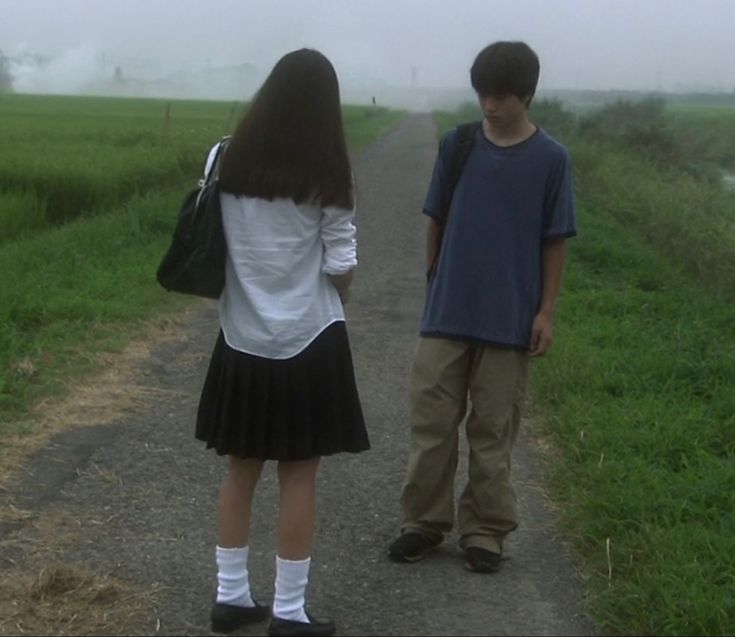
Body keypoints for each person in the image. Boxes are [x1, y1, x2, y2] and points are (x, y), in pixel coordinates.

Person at [195, 48, 369, 637]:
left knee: (240, 471)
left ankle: (230, 598)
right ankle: (290, 613)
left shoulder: (226, 157)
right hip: (310, 338)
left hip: (240, 337)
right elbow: (341, 264)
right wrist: (333, 287)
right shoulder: (329, 172)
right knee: (299, 475)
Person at [388, 41, 577, 573]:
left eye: (501, 97)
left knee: (493, 431)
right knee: (431, 424)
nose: (490, 106)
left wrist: (546, 311)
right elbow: (436, 219)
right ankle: (422, 522)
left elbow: (555, 240)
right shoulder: (459, 144)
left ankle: (485, 530)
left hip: (509, 320)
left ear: (527, 95)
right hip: (446, 314)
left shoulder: (552, 159)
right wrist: (434, 282)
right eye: (483, 95)